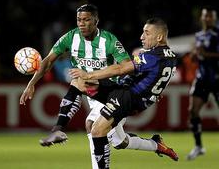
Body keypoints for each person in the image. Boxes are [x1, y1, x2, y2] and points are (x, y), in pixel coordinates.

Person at [20, 4, 133, 169]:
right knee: (119, 141)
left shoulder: (108, 40)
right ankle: (155, 145)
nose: (82, 23)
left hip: (112, 92)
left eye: (86, 20)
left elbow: (128, 66)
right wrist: (31, 84)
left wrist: (144, 89)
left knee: (92, 124)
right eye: (79, 20)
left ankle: (58, 129)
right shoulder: (71, 37)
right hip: (93, 94)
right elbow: (48, 61)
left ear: (96, 21)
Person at [69, 17, 179, 168]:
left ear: (159, 37)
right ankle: (156, 145)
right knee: (119, 141)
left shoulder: (152, 57)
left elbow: (121, 68)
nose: (142, 37)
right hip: (132, 97)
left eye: (146, 33)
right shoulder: (171, 57)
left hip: (127, 96)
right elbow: (156, 77)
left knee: (95, 127)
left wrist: (90, 74)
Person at [186, 7, 219, 160]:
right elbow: (197, 56)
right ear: (202, 18)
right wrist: (194, 55)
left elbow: (208, 54)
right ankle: (199, 146)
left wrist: (206, 54)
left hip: (217, 78)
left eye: (210, 16)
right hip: (202, 78)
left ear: (215, 18)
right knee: (193, 110)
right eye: (206, 16)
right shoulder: (199, 35)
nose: (208, 19)